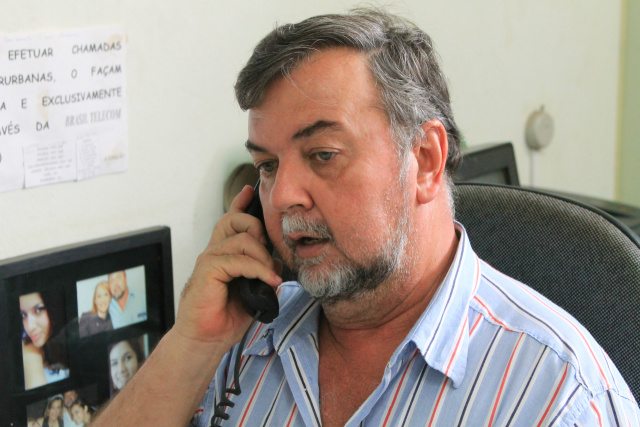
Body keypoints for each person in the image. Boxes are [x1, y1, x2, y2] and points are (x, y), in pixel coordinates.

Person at [94, 8, 640, 427]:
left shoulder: (558, 394)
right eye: (266, 165)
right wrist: (191, 346)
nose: (281, 195)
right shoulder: (239, 338)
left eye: (322, 155)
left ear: (425, 160)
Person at [20, 291, 69, 390]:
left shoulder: (71, 332)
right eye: (23, 315)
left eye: (38, 310)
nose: (29, 327)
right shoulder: (29, 347)